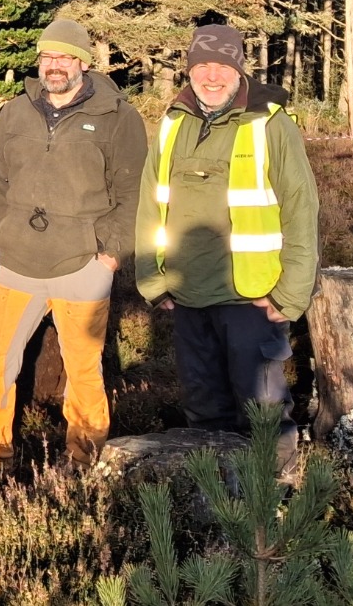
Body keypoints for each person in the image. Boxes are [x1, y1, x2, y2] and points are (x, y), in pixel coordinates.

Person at [135, 23, 320, 467]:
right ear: (189, 70)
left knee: (264, 413)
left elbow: (301, 208)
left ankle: (272, 500)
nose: (211, 76)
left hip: (252, 298)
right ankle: (216, 505)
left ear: (239, 69)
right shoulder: (173, 122)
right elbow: (150, 204)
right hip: (187, 295)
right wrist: (153, 280)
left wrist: (291, 295)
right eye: (202, 66)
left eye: (222, 66)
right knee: (203, 410)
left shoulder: (270, 124)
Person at [0, 18, 147, 465]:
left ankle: (85, 459)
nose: (54, 66)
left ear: (83, 63)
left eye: (65, 57)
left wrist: (108, 255)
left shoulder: (118, 117)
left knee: (84, 371)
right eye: (48, 56)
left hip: (83, 264)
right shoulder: (15, 112)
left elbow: (133, 192)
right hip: (16, 262)